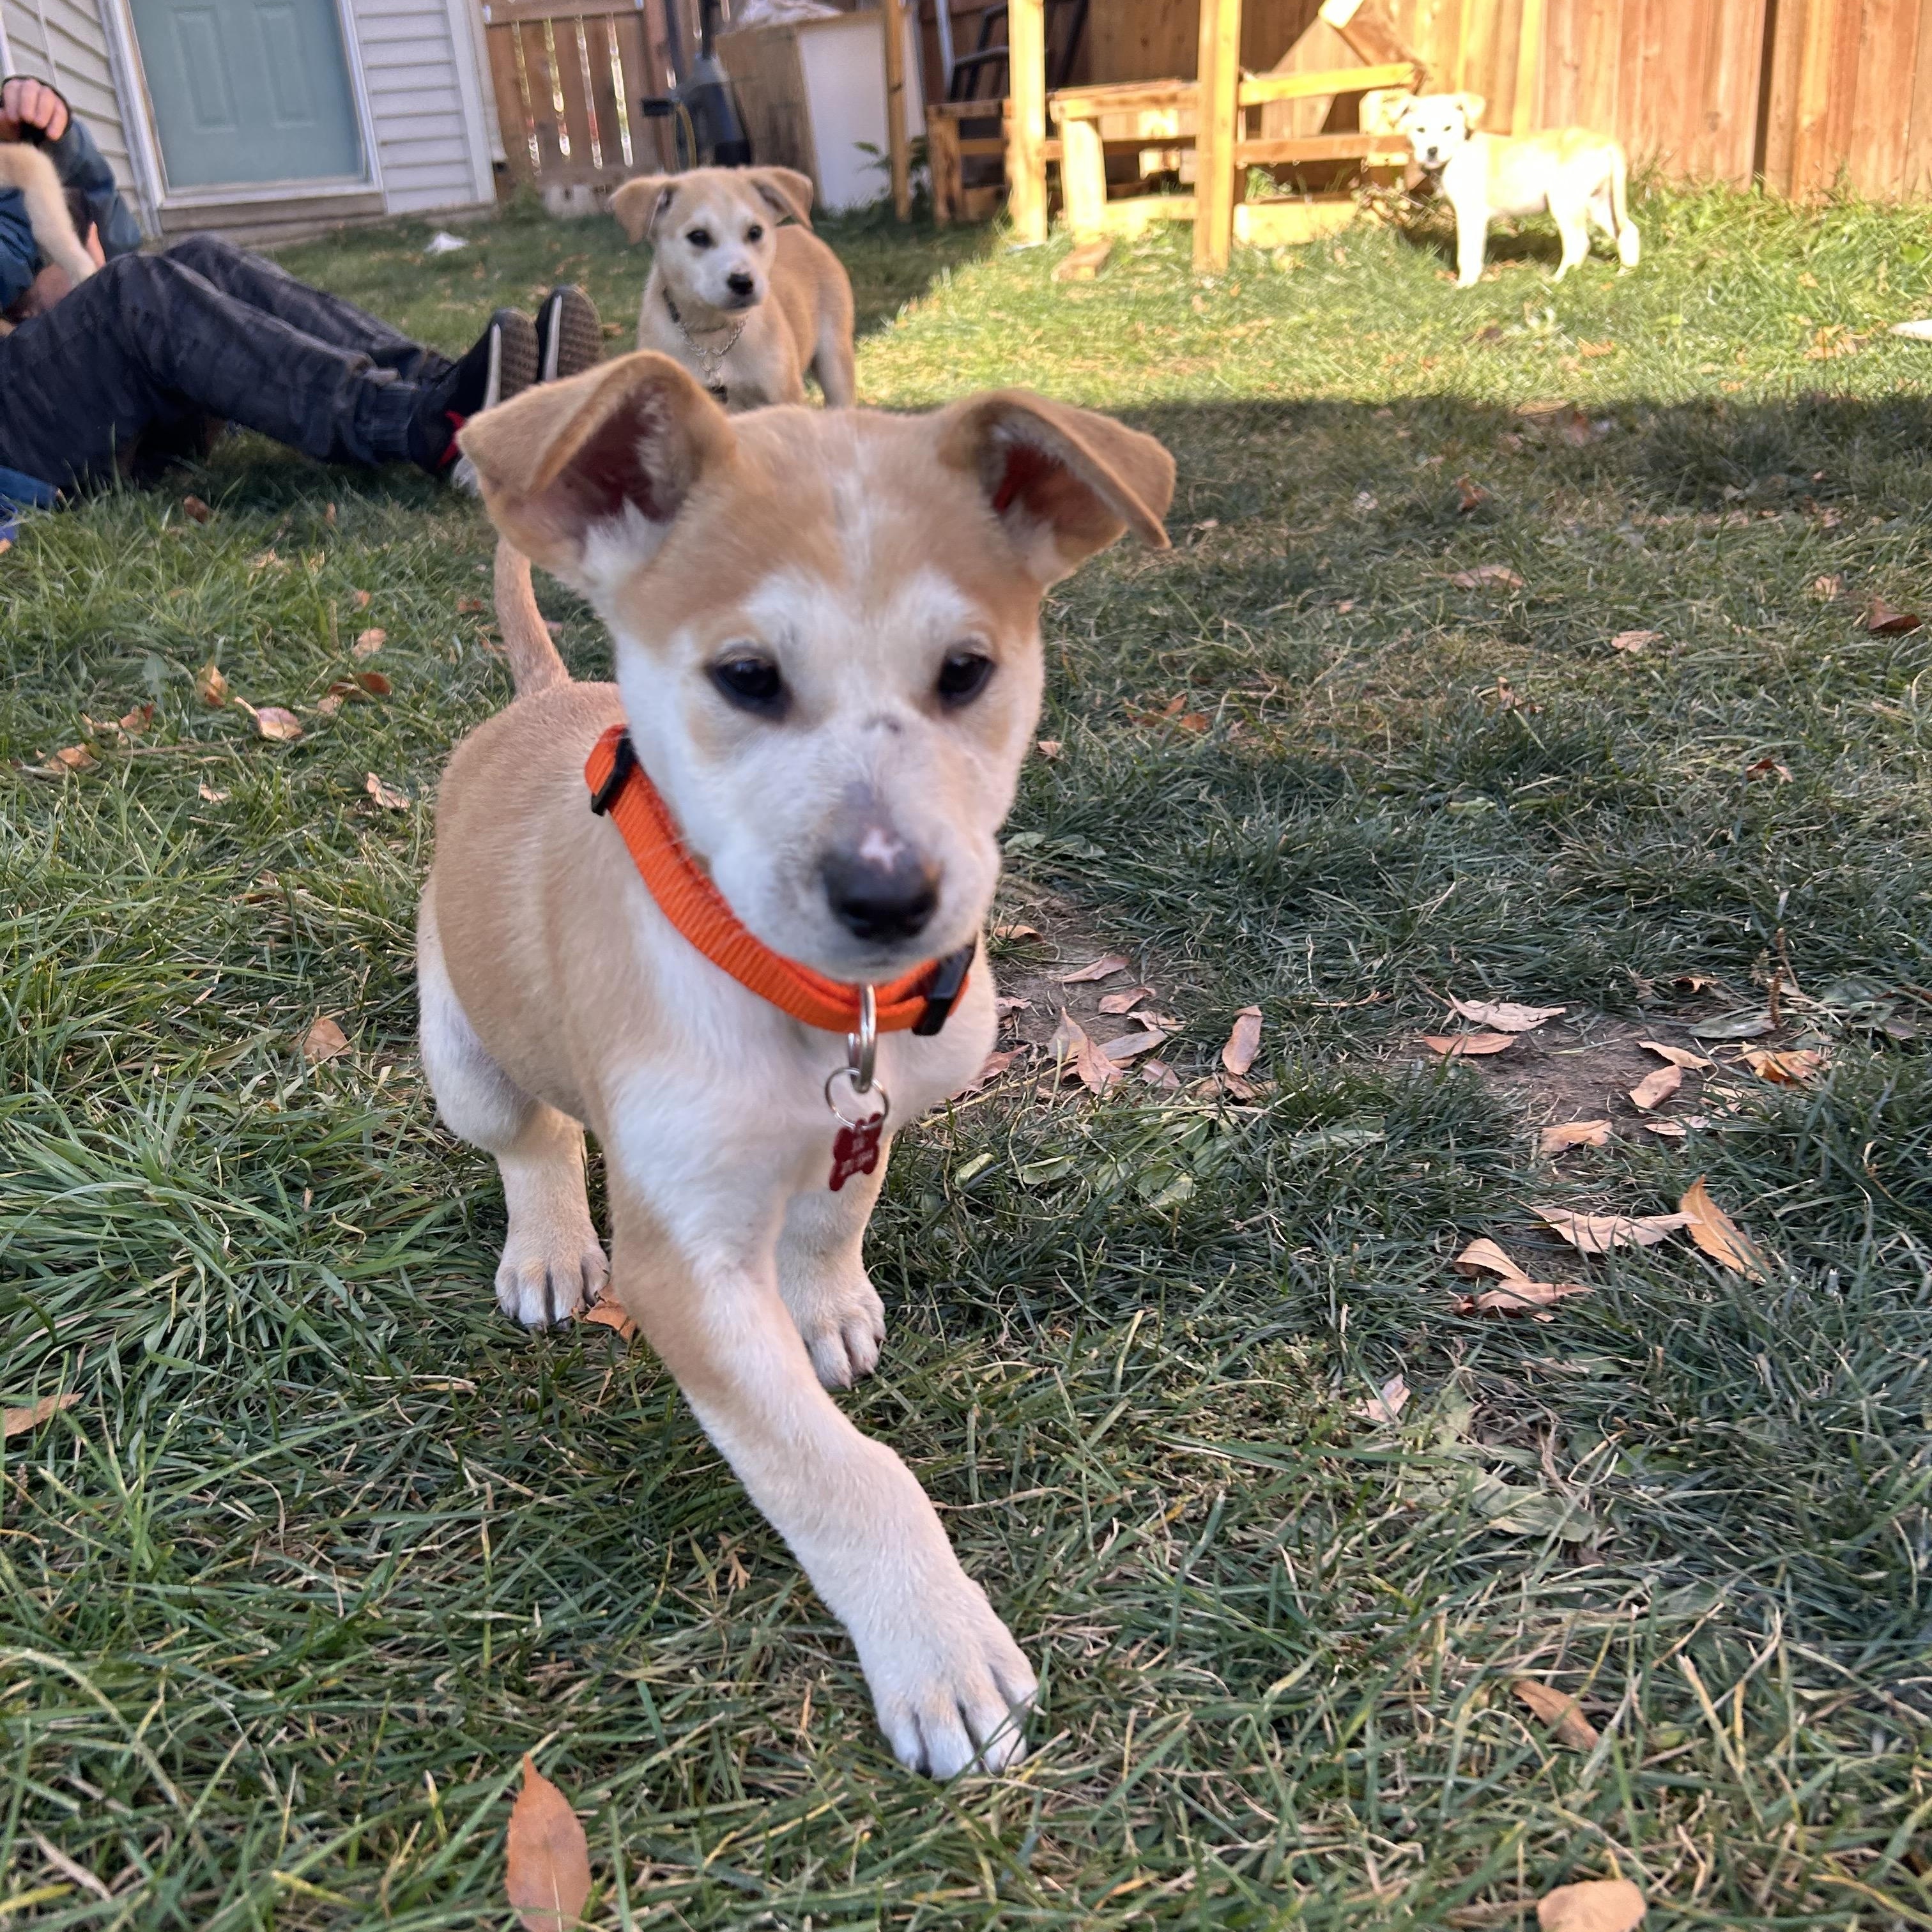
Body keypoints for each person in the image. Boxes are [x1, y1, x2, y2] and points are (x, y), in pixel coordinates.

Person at [0, 75, 602, 515]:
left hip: (83, 406)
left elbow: (120, 241)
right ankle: (426, 427)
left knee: (200, 257)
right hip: (19, 446)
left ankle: (461, 389)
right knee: (131, 295)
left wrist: (55, 140)